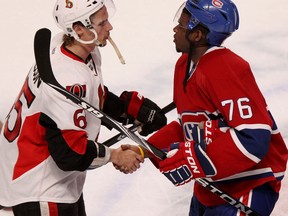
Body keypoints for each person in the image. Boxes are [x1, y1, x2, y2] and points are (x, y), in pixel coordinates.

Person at [0, 0, 167, 215]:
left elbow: (87, 97)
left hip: (52, 182)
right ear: (78, 29)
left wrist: (129, 110)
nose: (109, 27)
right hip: (38, 189)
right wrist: (114, 155)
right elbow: (70, 153)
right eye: (102, 22)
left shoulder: (70, 47)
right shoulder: (66, 77)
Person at [123, 0, 288, 215]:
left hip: (248, 186)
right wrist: (143, 149)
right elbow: (188, 125)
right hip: (212, 184)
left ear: (197, 35)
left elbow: (253, 138)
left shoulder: (227, 68)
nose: (175, 29)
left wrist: (193, 161)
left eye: (181, 25)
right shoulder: (184, 65)